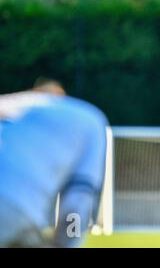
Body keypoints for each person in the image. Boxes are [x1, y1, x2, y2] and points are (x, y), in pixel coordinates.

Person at [0, 80, 108, 247]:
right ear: (62, 97)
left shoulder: (9, 104)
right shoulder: (87, 117)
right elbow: (77, 203)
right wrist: (69, 243)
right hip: (13, 209)